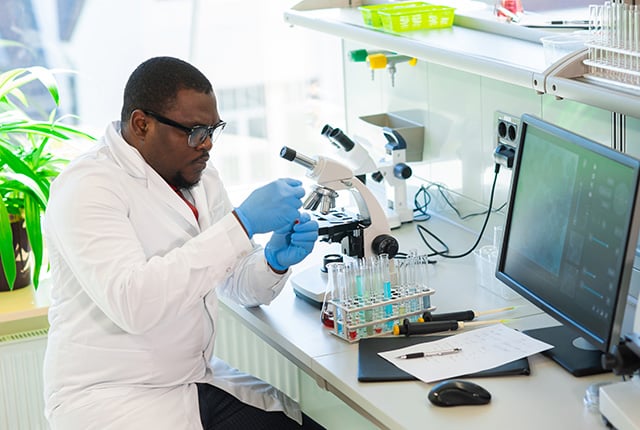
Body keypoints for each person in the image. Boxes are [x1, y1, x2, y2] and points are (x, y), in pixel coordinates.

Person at [43, 56, 323, 429]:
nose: (207, 145)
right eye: (194, 132)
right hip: (111, 401)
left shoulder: (199, 178)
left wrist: (273, 261)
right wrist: (242, 224)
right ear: (142, 124)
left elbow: (237, 283)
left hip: (187, 383)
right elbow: (134, 303)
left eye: (213, 129)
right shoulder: (88, 188)